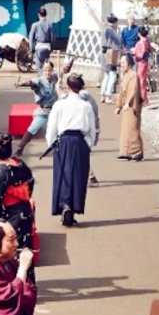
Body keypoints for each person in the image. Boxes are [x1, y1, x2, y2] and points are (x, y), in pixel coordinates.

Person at [45, 73, 98, 227]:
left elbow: (51, 127)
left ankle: (64, 205)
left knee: (63, 175)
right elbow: (91, 129)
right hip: (80, 141)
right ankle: (73, 208)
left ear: (68, 87)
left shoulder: (59, 104)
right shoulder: (86, 105)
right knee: (79, 176)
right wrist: (89, 144)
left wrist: (51, 143)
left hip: (63, 141)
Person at [0, 132, 35, 253]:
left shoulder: (1, 171)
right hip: (25, 213)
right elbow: (30, 183)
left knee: (11, 254)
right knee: (25, 251)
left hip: (10, 218)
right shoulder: (20, 163)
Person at [63, 58, 102, 187]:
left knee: (80, 154)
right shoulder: (87, 95)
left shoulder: (83, 96)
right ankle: (89, 176)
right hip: (91, 126)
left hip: (84, 128)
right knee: (82, 154)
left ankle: (89, 177)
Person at [15, 59, 59, 156]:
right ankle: (20, 147)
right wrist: (24, 82)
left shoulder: (55, 77)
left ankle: (62, 148)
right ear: (42, 70)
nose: (47, 72)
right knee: (32, 129)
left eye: (49, 70)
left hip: (55, 110)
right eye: (45, 70)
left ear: (52, 70)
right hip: (43, 111)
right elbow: (31, 82)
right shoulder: (39, 80)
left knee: (62, 129)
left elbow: (65, 70)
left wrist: (70, 62)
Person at [115, 54, 143, 161]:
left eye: (123, 63)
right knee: (126, 129)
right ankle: (125, 151)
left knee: (133, 128)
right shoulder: (126, 76)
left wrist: (128, 102)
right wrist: (118, 105)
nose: (122, 65)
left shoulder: (133, 75)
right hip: (126, 105)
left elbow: (133, 90)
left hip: (132, 105)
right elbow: (121, 92)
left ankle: (137, 151)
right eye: (121, 63)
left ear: (129, 63)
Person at [100, 13, 123, 103]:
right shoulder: (111, 30)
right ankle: (108, 95)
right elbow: (117, 42)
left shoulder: (105, 29)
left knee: (106, 75)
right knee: (112, 75)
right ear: (115, 22)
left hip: (104, 54)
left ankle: (103, 95)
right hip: (111, 54)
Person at [132, 25, 153, 104]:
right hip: (145, 62)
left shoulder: (140, 43)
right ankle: (144, 99)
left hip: (141, 62)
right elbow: (149, 50)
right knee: (143, 81)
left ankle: (143, 99)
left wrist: (134, 52)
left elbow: (140, 54)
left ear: (139, 34)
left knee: (141, 81)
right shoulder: (147, 41)